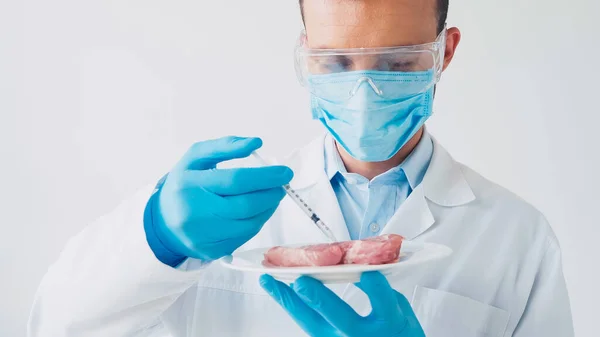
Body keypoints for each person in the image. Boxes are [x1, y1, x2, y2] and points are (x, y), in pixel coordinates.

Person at [28, 0, 574, 336]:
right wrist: (157, 237)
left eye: (399, 61)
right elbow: (55, 327)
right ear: (305, 52)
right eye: (335, 63)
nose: (363, 91)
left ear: (444, 53)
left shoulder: (515, 236)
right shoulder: (216, 214)